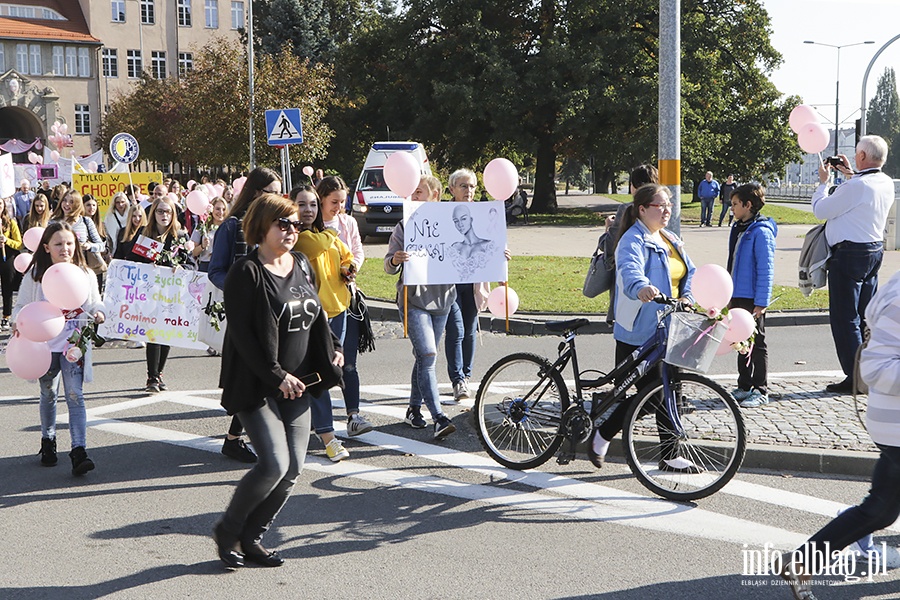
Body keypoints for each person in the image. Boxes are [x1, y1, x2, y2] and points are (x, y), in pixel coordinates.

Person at [213, 192, 343, 570]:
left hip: (298, 384)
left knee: (294, 470)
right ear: (262, 227)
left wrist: (333, 346)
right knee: (273, 464)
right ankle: (228, 530)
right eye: (282, 223)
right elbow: (242, 336)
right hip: (257, 385)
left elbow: (315, 313)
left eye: (294, 223)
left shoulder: (301, 262)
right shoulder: (246, 272)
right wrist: (276, 375)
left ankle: (252, 538)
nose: (291, 229)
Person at [777, 268, 900, 600]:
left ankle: (801, 562)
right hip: (895, 425)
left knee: (881, 510)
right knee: (880, 508)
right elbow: (875, 368)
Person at [587, 183, 701, 473]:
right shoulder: (632, 239)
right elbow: (629, 269)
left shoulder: (670, 238)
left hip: (671, 327)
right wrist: (641, 287)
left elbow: (690, 271)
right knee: (652, 397)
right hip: (639, 330)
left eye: (669, 205)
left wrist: (688, 295)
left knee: (670, 392)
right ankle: (602, 433)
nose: (666, 211)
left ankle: (670, 454)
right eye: (659, 206)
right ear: (642, 209)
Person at [11, 221, 106, 475]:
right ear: (46, 247)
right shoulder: (35, 276)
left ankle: (79, 450)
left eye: (69, 243)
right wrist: (19, 323)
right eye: (58, 244)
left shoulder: (84, 273)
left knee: (75, 395)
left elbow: (96, 302)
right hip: (43, 346)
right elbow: (20, 307)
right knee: (48, 393)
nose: (65, 248)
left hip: (73, 343)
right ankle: (48, 439)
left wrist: (99, 314)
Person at [209, 166, 282, 464]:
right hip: (244, 313)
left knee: (267, 371)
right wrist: (242, 288)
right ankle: (234, 439)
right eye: (272, 193)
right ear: (256, 193)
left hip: (273, 309)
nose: (278, 199)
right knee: (249, 375)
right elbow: (215, 270)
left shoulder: (275, 225)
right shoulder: (231, 226)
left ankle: (238, 437)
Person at [811, 135, 894, 394]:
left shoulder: (856, 186)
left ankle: (855, 376)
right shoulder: (884, 182)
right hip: (873, 251)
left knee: (845, 317)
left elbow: (821, 210)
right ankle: (868, 371)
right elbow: (860, 195)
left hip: (849, 254)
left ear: (861, 157)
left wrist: (823, 184)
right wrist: (850, 173)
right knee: (865, 316)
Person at [385, 175, 457, 439]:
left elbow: (469, 253)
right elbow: (387, 265)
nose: (414, 197)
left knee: (423, 357)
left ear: (435, 196)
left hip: (443, 299)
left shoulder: (450, 223)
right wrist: (395, 259)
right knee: (428, 355)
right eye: (412, 193)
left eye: (419, 192)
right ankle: (439, 417)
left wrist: (496, 255)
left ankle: (413, 408)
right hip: (413, 299)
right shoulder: (405, 225)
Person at [292, 185, 354, 461]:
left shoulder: (324, 234)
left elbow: (346, 255)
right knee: (318, 374)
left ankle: (313, 424)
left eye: (313, 205)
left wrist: (347, 269)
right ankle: (329, 436)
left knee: (325, 372)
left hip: (336, 308)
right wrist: (332, 232)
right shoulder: (298, 236)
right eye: (302, 204)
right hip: (309, 315)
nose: (308, 210)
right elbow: (317, 246)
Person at [115, 195, 194, 393]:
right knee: (153, 332)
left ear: (173, 213)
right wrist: (146, 264)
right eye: (160, 211)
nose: (164, 215)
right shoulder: (145, 233)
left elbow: (191, 264)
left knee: (167, 333)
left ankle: (159, 373)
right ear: (153, 214)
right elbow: (131, 259)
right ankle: (152, 376)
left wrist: (180, 267)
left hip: (171, 293)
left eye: (168, 211)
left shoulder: (180, 236)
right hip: (150, 292)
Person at [317, 176, 375, 437]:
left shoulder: (348, 222)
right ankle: (316, 417)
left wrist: (352, 269)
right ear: (321, 199)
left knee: (347, 360)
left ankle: (353, 415)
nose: (338, 206)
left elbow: (357, 252)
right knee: (319, 362)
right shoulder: (311, 224)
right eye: (333, 202)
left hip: (346, 299)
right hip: (317, 302)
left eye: (342, 201)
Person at [726, 183, 776, 408]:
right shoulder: (738, 228)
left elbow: (766, 269)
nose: (732, 208)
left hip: (752, 297)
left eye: (736, 204)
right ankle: (744, 385)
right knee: (740, 340)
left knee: (758, 343)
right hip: (737, 293)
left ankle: (760, 388)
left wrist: (761, 302)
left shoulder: (761, 232)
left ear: (748, 205)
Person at [603, 164, 659, 325]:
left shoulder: (627, 210)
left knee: (628, 326)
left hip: (630, 282)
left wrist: (608, 228)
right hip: (657, 282)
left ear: (633, 187)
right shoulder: (662, 210)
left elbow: (610, 246)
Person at [0, 196, 23, 329]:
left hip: (7, 258)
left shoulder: (10, 222)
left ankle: (6, 316)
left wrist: (6, 240)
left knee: (7, 289)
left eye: (0, 204)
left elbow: (19, 244)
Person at [190, 196, 227, 273]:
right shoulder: (202, 226)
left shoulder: (228, 227)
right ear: (211, 209)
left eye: (223, 209)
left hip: (223, 266)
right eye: (217, 209)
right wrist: (202, 246)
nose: (221, 212)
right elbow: (193, 252)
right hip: (205, 266)